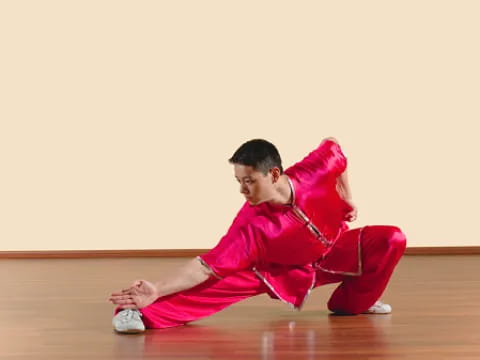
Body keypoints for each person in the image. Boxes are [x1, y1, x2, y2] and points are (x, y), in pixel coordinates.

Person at [109, 137, 406, 333]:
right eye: (238, 181)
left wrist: (347, 196)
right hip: (280, 270)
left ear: (274, 175)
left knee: (392, 239)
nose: (242, 190)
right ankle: (134, 312)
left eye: (249, 181)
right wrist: (157, 289)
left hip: (331, 250)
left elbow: (335, 148)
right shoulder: (251, 225)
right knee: (217, 284)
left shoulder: (314, 170)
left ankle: (352, 303)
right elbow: (204, 266)